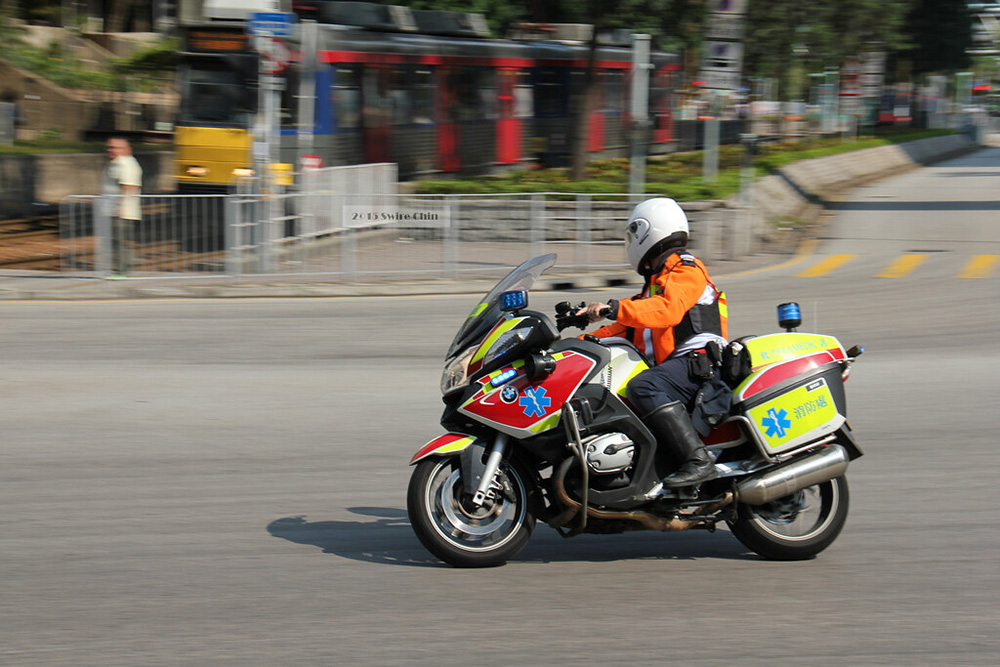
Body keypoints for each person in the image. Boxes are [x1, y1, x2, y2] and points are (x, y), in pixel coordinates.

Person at [576, 197, 729, 489]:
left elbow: (667, 309)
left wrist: (613, 306)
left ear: (649, 231)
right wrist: (572, 347)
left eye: (633, 234)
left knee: (644, 386)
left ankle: (699, 460)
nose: (630, 242)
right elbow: (622, 331)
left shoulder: (686, 269)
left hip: (700, 363)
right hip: (682, 366)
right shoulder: (655, 286)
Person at [102, 137, 143, 276]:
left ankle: (122, 271)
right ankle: (122, 269)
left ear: (126, 149)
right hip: (113, 210)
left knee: (120, 242)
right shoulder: (115, 163)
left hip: (122, 212)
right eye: (110, 147)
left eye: (115, 147)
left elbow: (130, 186)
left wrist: (119, 205)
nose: (110, 150)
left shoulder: (127, 164)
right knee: (116, 241)